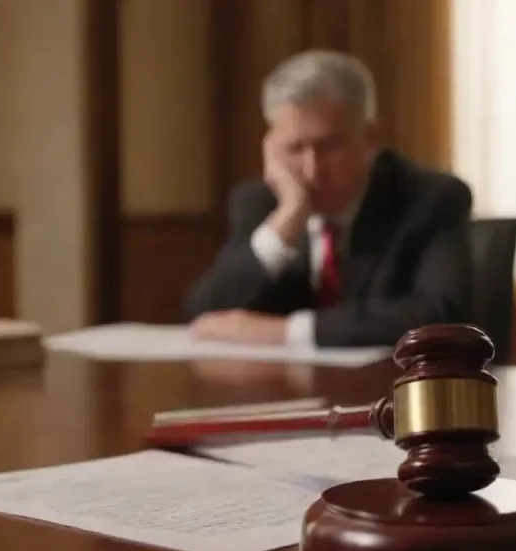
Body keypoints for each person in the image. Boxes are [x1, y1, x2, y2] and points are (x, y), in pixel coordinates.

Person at [184, 50, 474, 347]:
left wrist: (287, 332)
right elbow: (205, 315)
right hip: (285, 389)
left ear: (370, 137)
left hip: (389, 387)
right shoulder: (260, 202)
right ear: (270, 147)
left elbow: (439, 314)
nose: (311, 170)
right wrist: (286, 221)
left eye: (329, 146)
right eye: (295, 148)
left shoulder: (431, 199)